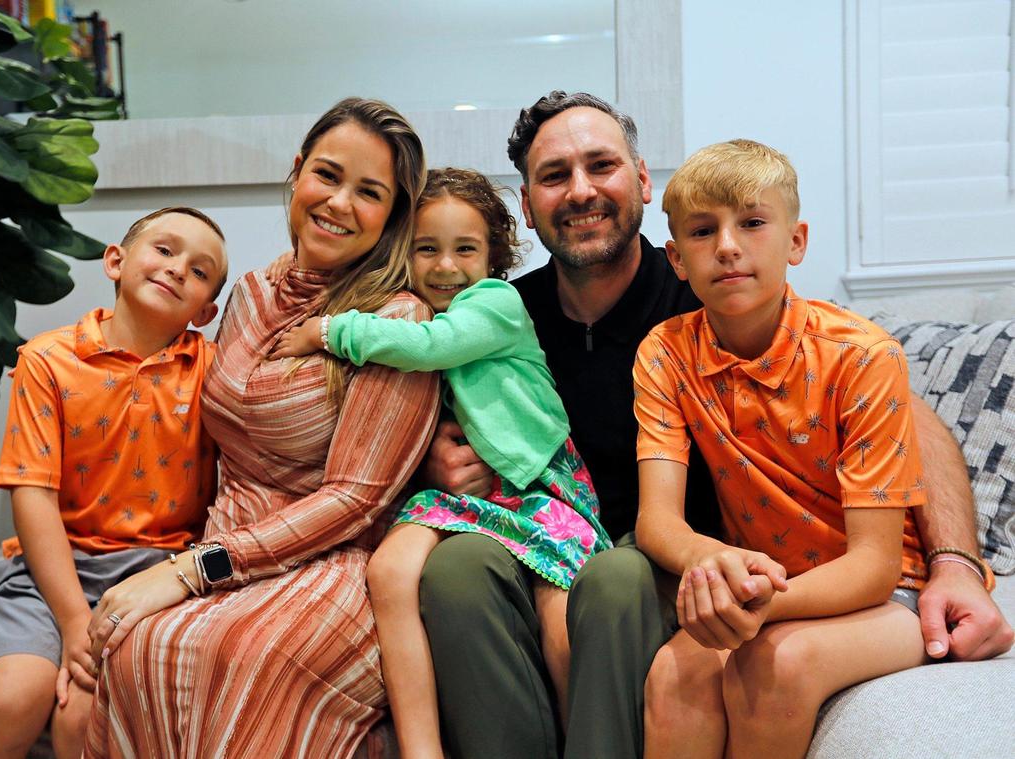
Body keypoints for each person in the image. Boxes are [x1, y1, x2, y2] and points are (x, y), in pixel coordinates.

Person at [419, 91, 1013, 759]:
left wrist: (956, 562)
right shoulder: (506, 319)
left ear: (642, 180)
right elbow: (423, 380)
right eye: (555, 175)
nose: (581, 189)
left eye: (601, 165)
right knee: (455, 567)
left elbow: (913, 420)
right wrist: (434, 456)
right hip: (574, 534)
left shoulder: (718, 303)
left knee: (615, 579)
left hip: (669, 565)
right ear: (527, 205)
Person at [82, 97, 440, 759]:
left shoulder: (398, 320)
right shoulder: (248, 292)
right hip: (226, 536)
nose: (338, 203)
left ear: (392, 216)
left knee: (238, 657)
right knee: (137, 648)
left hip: (334, 559)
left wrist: (193, 570)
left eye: (369, 192)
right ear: (298, 170)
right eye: (328, 175)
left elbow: (357, 498)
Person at [635, 138, 1003, 758]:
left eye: (752, 223)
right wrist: (716, 565)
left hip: (891, 595)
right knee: (677, 671)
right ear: (675, 259)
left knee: (778, 663)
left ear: (796, 241)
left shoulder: (861, 355)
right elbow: (658, 520)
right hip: (763, 581)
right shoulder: (665, 353)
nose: (727, 246)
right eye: (702, 232)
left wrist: (756, 603)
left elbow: (875, 565)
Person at [272, 167, 612, 759]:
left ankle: (581, 743)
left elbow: (435, 348)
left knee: (560, 618)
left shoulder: (495, 303)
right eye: (426, 248)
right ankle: (421, 748)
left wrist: (328, 331)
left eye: (465, 249)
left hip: (540, 485)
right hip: (470, 497)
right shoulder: (407, 308)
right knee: (389, 571)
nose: (445, 267)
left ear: (493, 258)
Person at [0, 207, 229, 759]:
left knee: (84, 716)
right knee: (12, 698)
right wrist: (75, 621)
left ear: (206, 308)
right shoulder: (48, 360)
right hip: (51, 570)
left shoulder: (213, 373)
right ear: (116, 262)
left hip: (157, 571)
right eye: (164, 251)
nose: (177, 270)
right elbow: (32, 493)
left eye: (199, 271)